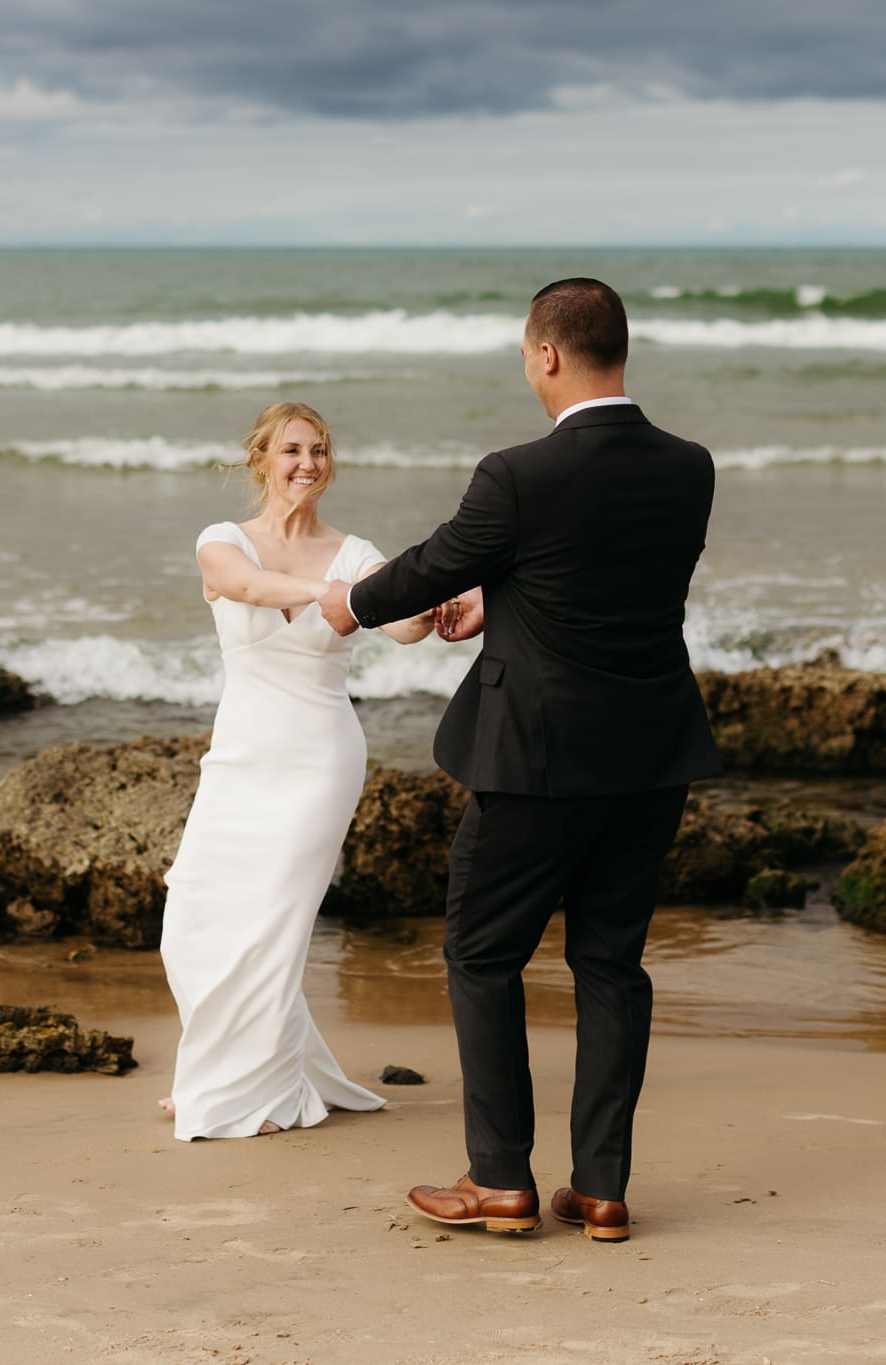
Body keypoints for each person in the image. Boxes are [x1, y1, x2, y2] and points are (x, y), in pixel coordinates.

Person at [319, 279, 720, 1242]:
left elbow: (435, 562)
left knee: (482, 953)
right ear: (619, 350)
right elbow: (612, 581)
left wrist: (350, 602)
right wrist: (505, 599)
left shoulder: (516, 473)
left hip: (536, 763)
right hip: (653, 754)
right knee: (612, 965)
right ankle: (602, 1187)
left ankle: (499, 1177)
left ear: (545, 355)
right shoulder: (689, 467)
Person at [159, 401, 437, 1141]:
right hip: (241, 754)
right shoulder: (223, 542)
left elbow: (402, 620)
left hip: (320, 758)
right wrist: (333, 597)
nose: (307, 463)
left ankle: (256, 1088)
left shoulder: (354, 553)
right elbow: (245, 588)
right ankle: (212, 1069)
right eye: (291, 450)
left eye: (318, 450)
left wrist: (428, 605)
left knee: (271, 926)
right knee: (190, 919)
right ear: (261, 460)